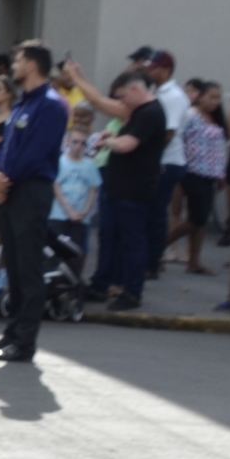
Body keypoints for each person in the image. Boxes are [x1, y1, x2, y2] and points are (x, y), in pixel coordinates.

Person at [0, 45, 66, 361]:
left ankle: (25, 342)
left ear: (31, 65)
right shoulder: (22, 103)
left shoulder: (50, 105)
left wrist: (5, 182)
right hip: (11, 189)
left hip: (30, 191)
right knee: (14, 268)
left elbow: (34, 154)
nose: (13, 65)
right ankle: (11, 334)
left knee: (29, 268)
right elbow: (3, 150)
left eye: (17, 60)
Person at [67, 63, 165, 311]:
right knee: (109, 236)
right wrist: (78, 77)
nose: (121, 103)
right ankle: (102, 284)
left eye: (123, 97)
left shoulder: (150, 113)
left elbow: (127, 145)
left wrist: (107, 141)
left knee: (132, 240)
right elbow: (99, 101)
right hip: (117, 186)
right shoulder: (135, 110)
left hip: (135, 189)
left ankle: (132, 291)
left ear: (134, 90)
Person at [169, 79, 227, 273]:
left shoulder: (216, 119)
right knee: (196, 218)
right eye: (211, 97)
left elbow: (218, 148)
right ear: (200, 97)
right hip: (192, 171)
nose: (215, 101)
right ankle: (159, 245)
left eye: (218, 98)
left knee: (201, 219)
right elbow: (178, 138)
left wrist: (220, 173)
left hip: (210, 173)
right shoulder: (191, 115)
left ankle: (194, 261)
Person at [144, 49, 189, 279]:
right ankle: (152, 260)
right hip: (161, 161)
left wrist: (145, 154)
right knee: (152, 212)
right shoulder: (159, 91)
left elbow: (168, 133)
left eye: (155, 68)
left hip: (166, 162)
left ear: (166, 70)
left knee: (155, 213)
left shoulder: (173, 96)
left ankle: (152, 263)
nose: (150, 71)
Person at [51, 105, 100, 261]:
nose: (79, 146)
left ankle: (74, 280)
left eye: (83, 143)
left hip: (81, 214)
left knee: (77, 249)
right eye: (75, 142)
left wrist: (85, 211)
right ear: (67, 142)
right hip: (60, 213)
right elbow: (56, 186)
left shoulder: (90, 165)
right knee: (56, 248)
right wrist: (68, 210)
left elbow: (93, 189)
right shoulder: (61, 162)